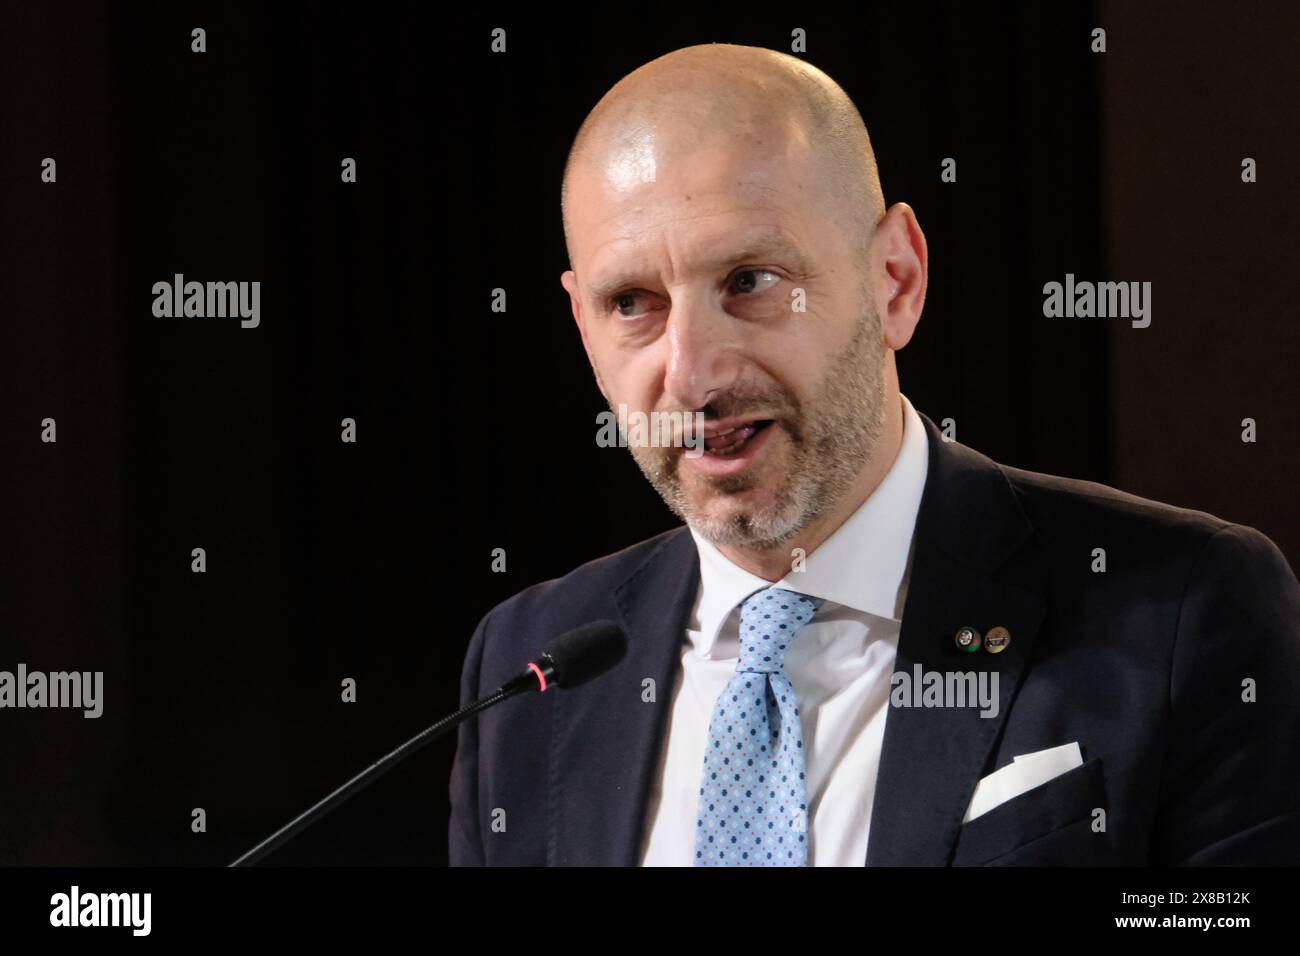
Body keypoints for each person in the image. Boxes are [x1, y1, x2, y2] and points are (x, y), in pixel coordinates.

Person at [448, 43, 1300, 866]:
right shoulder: (527, 668)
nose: (691, 375)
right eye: (632, 301)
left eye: (750, 281)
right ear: (583, 329)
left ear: (896, 278)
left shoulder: (1187, 608)